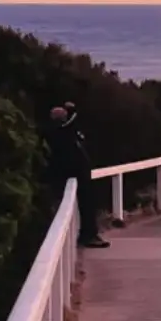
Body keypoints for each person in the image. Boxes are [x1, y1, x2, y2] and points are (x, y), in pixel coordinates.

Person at [47, 103, 109, 248]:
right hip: (76, 174)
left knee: (89, 204)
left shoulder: (65, 133)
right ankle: (88, 235)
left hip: (80, 174)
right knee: (86, 206)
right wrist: (72, 109)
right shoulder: (63, 133)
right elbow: (73, 120)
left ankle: (89, 234)